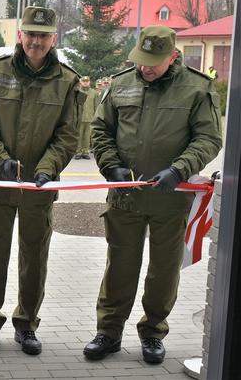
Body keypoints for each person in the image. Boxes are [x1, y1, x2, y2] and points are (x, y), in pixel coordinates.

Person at [85, 25, 222, 364]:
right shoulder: (121, 84)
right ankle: (108, 332)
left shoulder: (196, 89)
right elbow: (100, 130)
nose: (145, 67)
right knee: (119, 267)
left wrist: (179, 169)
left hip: (170, 198)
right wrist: (110, 166)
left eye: (153, 62)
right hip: (126, 197)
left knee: (163, 271)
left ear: (172, 56)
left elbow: (208, 139)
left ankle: (153, 332)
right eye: (142, 60)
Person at [0, 6, 83, 355]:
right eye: (30, 34)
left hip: (39, 187)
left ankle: (27, 324)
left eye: (43, 36)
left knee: (35, 259)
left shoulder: (66, 81)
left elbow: (68, 134)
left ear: (53, 39)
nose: (35, 41)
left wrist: (48, 167)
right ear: (20, 35)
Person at [75, 75, 97, 160]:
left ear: (89, 82)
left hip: (90, 118)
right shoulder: (77, 91)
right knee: (79, 136)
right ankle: (78, 152)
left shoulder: (94, 92)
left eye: (87, 81)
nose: (85, 82)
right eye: (83, 81)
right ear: (80, 82)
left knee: (87, 137)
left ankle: (85, 152)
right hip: (79, 118)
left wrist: (95, 117)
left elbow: (96, 105)